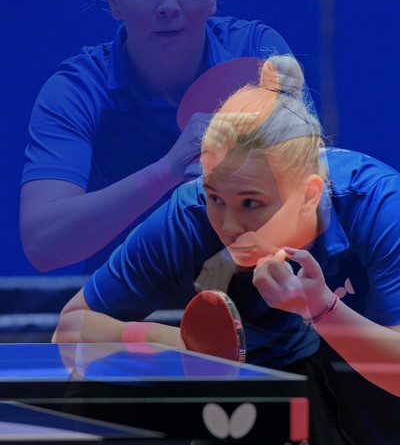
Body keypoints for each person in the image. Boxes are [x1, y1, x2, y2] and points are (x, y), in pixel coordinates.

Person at [54, 53, 400, 443]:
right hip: (262, 388)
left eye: (251, 203)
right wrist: (171, 345)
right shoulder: (188, 217)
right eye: (215, 198)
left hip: (371, 380)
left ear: (308, 196)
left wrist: (321, 309)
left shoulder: (381, 207)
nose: (228, 226)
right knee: (87, 398)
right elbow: (71, 329)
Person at [20, 0, 292, 275]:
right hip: (121, 307)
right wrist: (166, 171)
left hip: (251, 298)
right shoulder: (77, 91)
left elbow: (307, 197)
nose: (168, 5)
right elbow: (42, 244)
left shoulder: (257, 56)